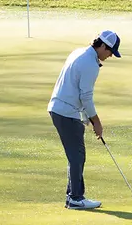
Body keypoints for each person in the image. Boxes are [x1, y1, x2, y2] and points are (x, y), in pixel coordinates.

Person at [46, 29, 122, 210]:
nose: (110, 55)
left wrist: (86, 118)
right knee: (77, 156)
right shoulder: (90, 64)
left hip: (61, 109)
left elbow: (74, 89)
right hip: (66, 111)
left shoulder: (78, 52)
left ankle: (73, 196)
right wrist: (96, 121)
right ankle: (75, 198)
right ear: (102, 45)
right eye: (110, 51)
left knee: (76, 156)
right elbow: (85, 96)